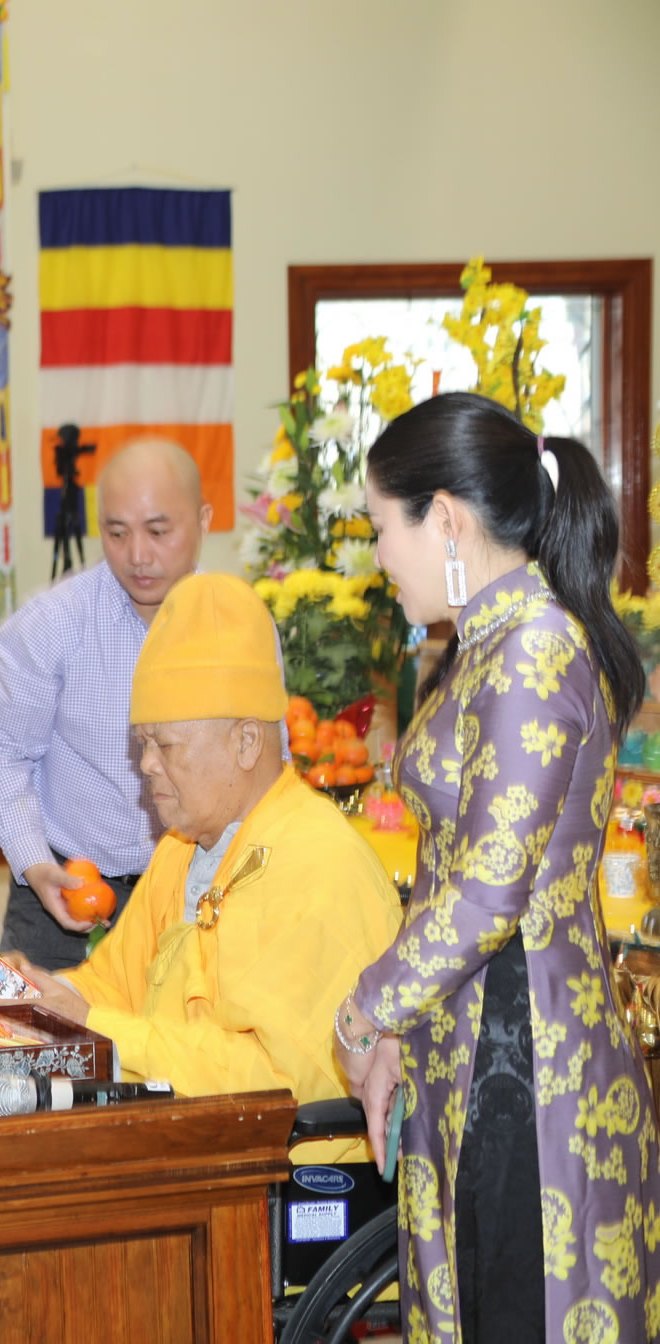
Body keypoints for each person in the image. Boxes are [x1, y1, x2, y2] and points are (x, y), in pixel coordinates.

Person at [333, 393, 660, 1342]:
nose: (377, 556)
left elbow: (484, 897)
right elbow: (449, 873)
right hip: (480, 1051)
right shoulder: (483, 644)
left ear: (444, 518)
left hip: (530, 1075)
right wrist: (397, 1029)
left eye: (380, 528)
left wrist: (363, 1012)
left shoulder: (533, 648)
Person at [6, 574, 402, 1163]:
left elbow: (273, 1084)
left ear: (246, 743)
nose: (146, 765)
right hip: (176, 1150)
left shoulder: (321, 863)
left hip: (272, 1184)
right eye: (142, 743)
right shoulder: (182, 848)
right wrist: (44, 997)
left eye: (165, 746)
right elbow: (116, 985)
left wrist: (102, 1030)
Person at [0, 438, 212, 971]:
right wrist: (34, 863)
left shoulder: (235, 625)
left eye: (158, 531)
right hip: (62, 889)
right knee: (39, 1024)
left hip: (195, 892)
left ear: (203, 520)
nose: (138, 555)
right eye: (116, 532)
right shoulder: (53, 623)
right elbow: (4, 752)